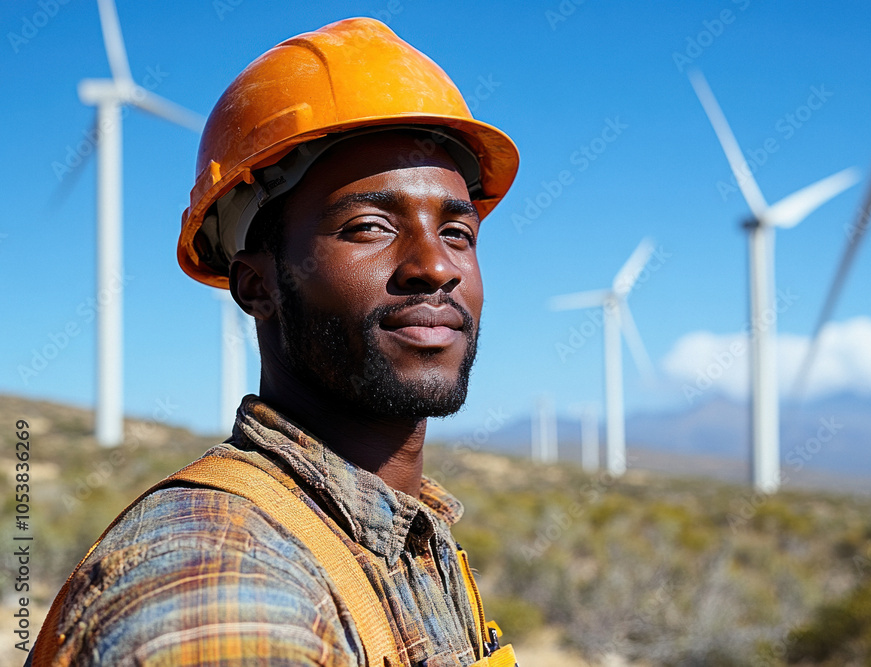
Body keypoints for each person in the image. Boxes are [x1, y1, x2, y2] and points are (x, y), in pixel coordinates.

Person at [28, 17, 519, 667]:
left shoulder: (400, 539)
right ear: (256, 285)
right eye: (369, 226)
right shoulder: (225, 589)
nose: (436, 264)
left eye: (457, 232)